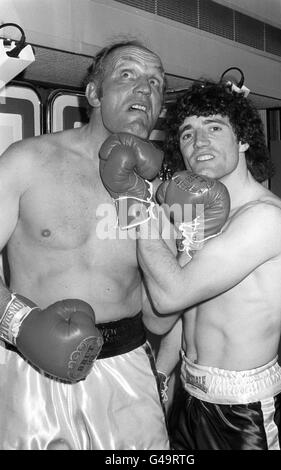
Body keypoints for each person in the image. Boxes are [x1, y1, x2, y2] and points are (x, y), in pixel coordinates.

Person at [0, 39, 176, 450]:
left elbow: (161, 314)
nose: (144, 90)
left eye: (155, 82)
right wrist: (18, 323)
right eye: (128, 75)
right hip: (33, 374)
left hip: (127, 370)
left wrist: (188, 244)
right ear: (94, 93)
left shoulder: (152, 192)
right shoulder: (26, 161)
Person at [137, 79, 281, 450]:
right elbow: (166, 316)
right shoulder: (200, 215)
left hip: (243, 412)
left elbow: (169, 294)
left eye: (213, 127)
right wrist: (163, 374)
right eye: (187, 134)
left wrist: (136, 207)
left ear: (242, 139)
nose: (199, 143)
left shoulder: (266, 218)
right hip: (188, 393)